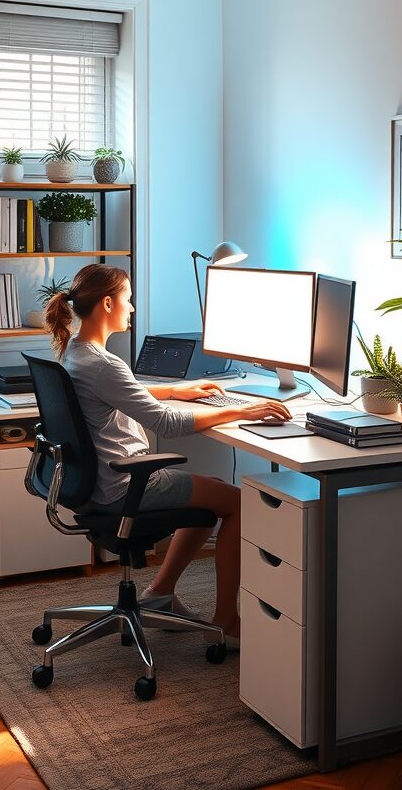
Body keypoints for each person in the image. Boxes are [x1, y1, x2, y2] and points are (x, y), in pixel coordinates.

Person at [45, 263, 292, 647]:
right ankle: (227, 620)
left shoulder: (78, 353)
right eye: (128, 300)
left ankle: (159, 591)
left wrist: (178, 390)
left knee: (212, 488)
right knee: (240, 503)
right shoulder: (104, 363)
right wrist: (242, 410)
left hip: (97, 485)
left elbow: (118, 391)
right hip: (126, 485)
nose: (132, 308)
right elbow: (168, 425)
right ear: (108, 303)